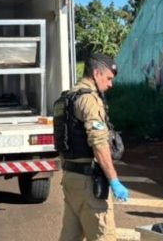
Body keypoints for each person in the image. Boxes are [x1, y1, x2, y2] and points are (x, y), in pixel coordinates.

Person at [57, 53, 128, 241]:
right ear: (97, 74)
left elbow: (63, 141)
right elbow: (99, 143)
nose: (111, 84)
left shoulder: (67, 99)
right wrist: (113, 180)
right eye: (109, 78)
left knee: (69, 237)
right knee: (103, 237)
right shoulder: (89, 100)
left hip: (70, 179)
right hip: (90, 185)